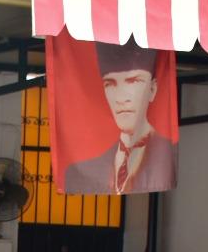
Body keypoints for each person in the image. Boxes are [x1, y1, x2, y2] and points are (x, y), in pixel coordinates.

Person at [61, 44, 177, 196]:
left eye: (134, 81)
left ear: (152, 89)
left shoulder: (166, 155)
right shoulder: (79, 170)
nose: (121, 98)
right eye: (110, 84)